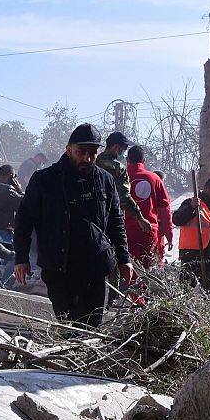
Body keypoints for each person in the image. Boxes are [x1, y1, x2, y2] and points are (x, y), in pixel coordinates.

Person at [13, 124, 133, 326]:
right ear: (68, 149)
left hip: (95, 267)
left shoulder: (105, 181)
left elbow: (116, 222)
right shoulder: (44, 180)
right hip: (59, 268)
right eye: (81, 152)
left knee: (91, 327)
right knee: (67, 326)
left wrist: (124, 258)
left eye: (92, 153)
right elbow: (24, 220)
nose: (87, 158)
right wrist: (21, 258)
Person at [97, 131, 150, 244]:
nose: (124, 153)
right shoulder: (118, 168)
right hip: (112, 218)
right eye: (124, 148)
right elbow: (124, 197)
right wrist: (140, 218)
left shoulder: (93, 162)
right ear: (116, 147)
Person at [173, 176, 210, 289]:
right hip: (191, 254)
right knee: (189, 285)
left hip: (208, 253)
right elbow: (176, 219)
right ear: (206, 189)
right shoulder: (191, 203)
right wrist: (191, 207)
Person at [128, 147, 173, 265]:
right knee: (150, 270)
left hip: (126, 231)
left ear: (127, 160)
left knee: (128, 269)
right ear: (144, 161)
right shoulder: (155, 179)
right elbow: (165, 209)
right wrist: (169, 234)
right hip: (149, 230)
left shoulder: (120, 177)